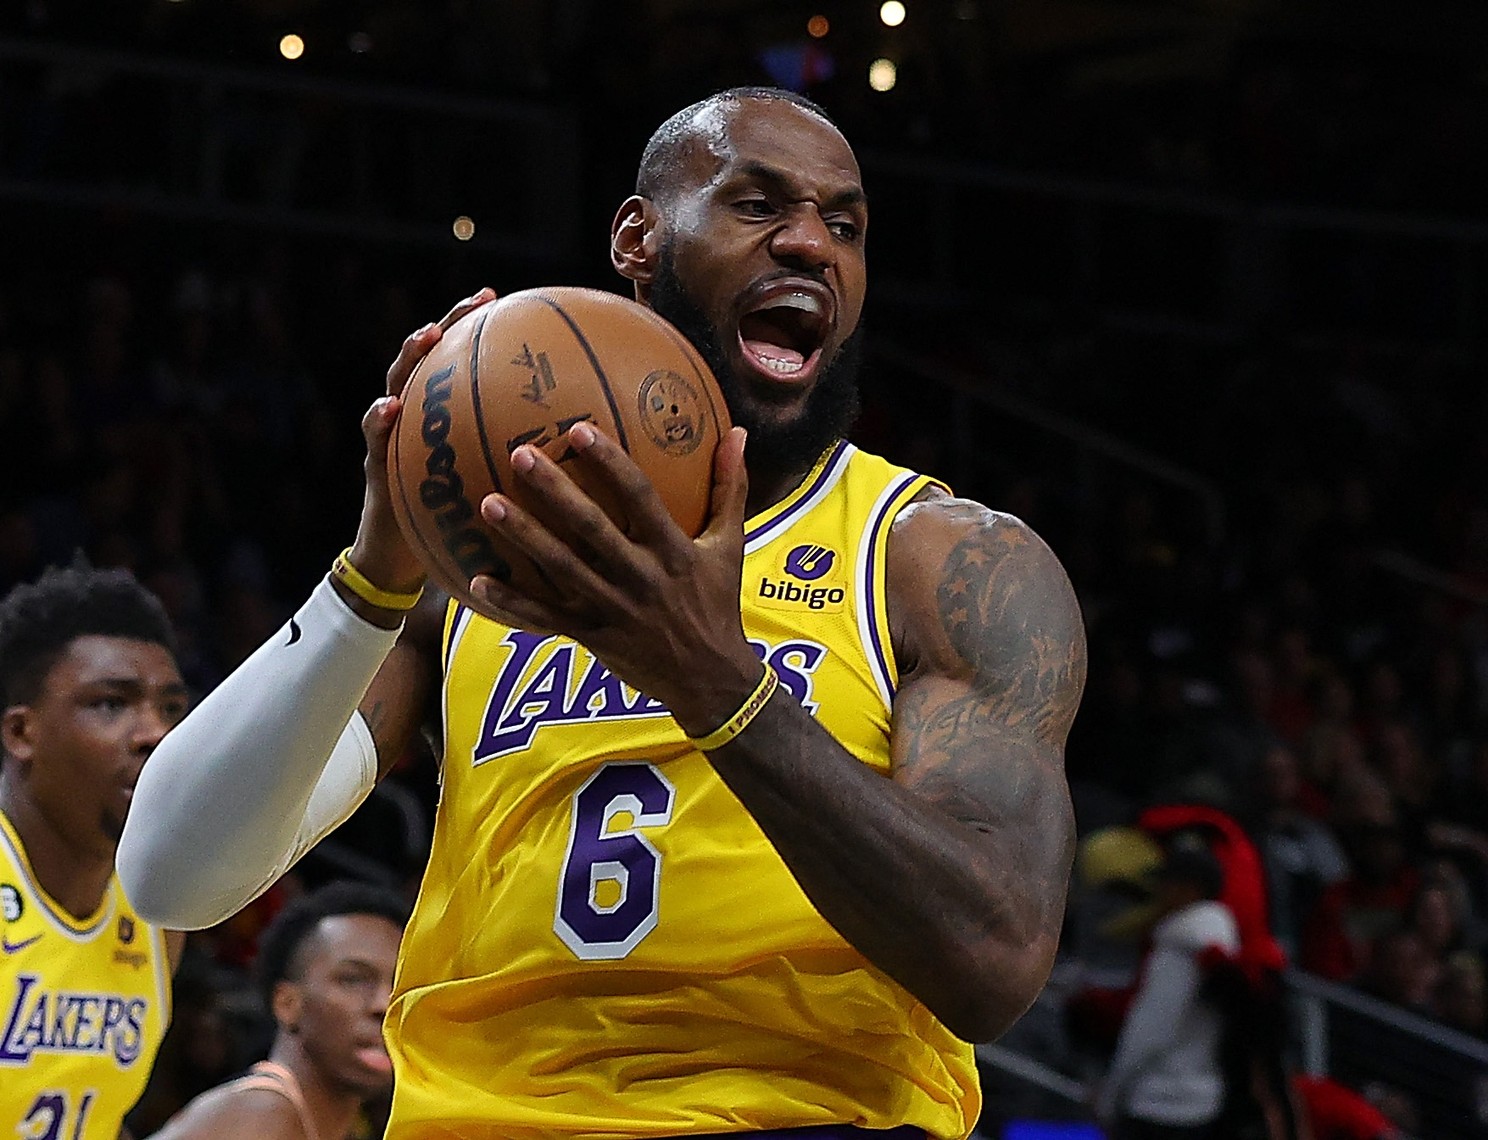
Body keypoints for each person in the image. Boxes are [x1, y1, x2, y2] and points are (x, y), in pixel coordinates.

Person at [118, 86, 1085, 1139]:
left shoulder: (932, 559)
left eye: (843, 223)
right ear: (638, 237)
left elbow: (992, 960)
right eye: (757, 204)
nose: (810, 242)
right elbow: (172, 874)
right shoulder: (493, 559)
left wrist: (716, 683)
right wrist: (372, 574)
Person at [0, 564, 190, 1139]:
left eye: (171, 708)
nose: (154, 733)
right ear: (21, 733)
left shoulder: (158, 915)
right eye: (112, 704)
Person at [150, 880, 407, 1140]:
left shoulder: (319, 1123)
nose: (384, 1005)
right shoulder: (260, 1115)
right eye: (353, 979)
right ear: (287, 1004)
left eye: (402, 985)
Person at [1095, 837, 1241, 1140]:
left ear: (1190, 888)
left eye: (1167, 883)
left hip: (1158, 1102)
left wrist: (1111, 1094)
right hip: (1203, 1101)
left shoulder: (1180, 948)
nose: (1160, 891)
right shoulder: (1222, 942)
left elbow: (1149, 1032)